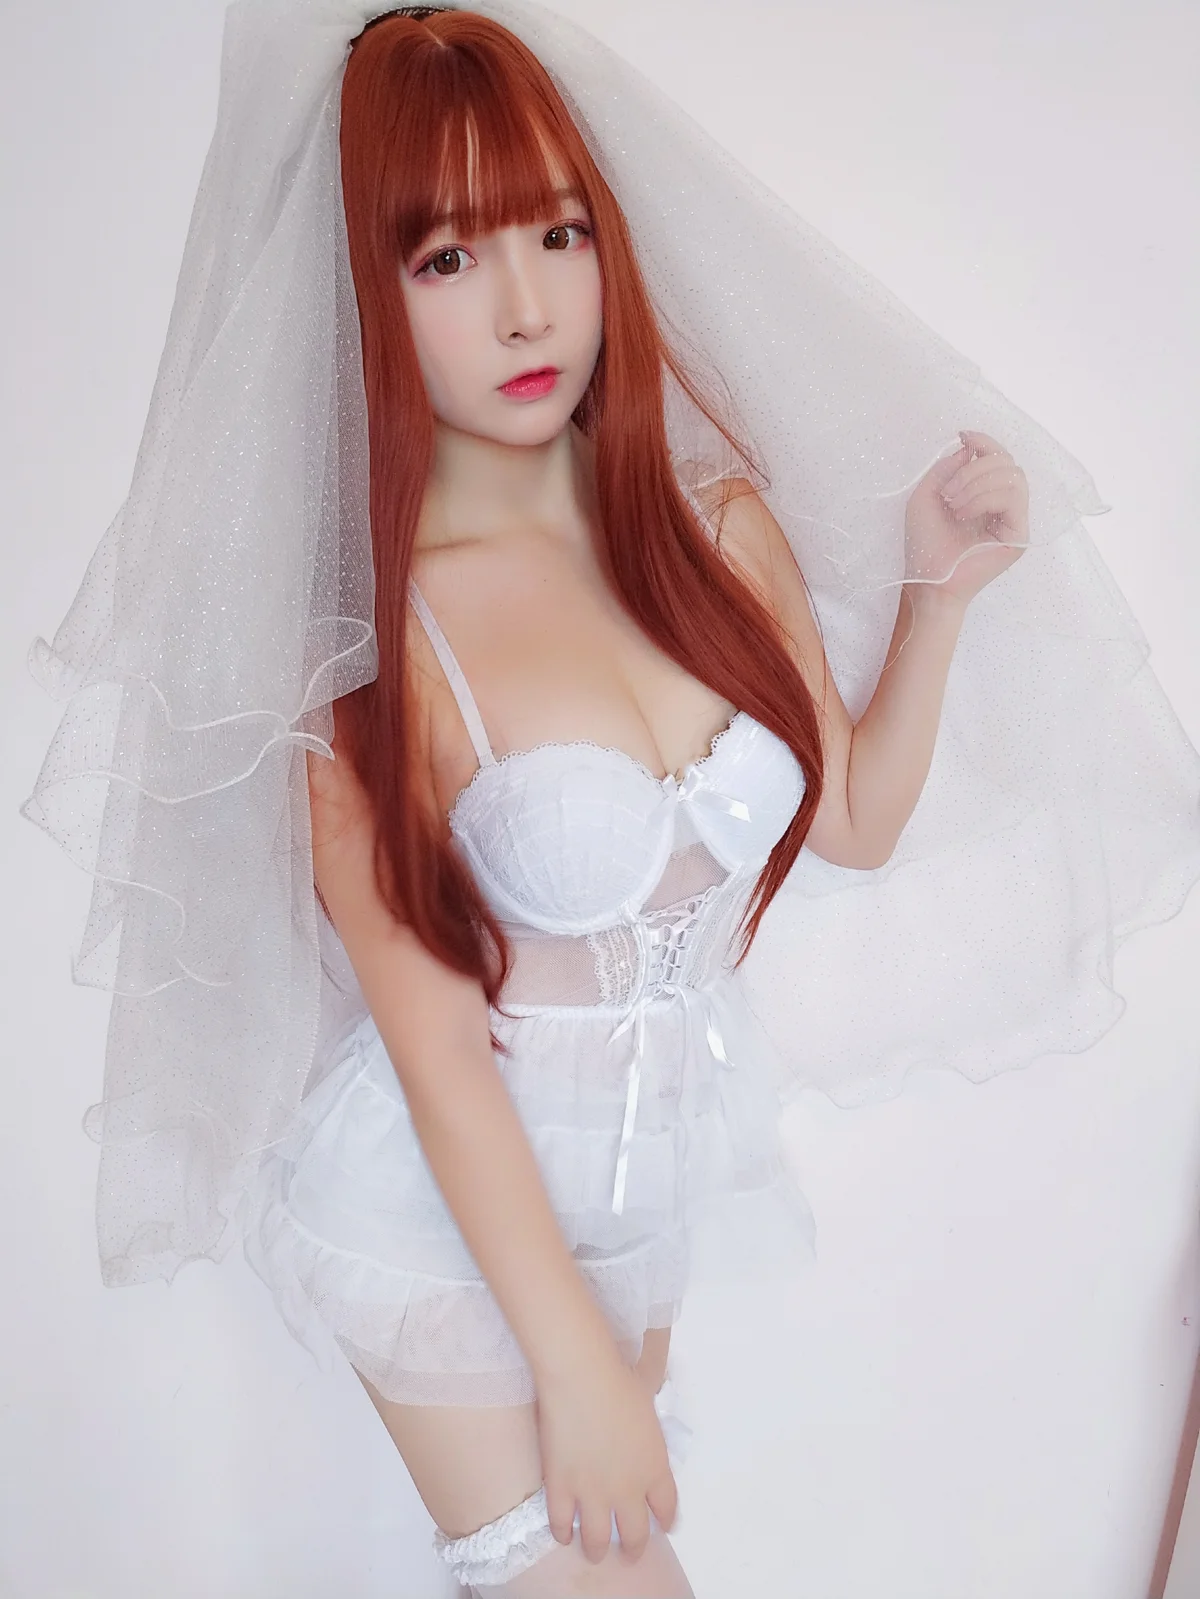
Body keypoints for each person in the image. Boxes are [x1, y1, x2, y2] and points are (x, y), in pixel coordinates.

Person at [22, 3, 1200, 1595]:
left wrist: (933, 602)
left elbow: (852, 821)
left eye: (557, 232)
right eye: (448, 256)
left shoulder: (713, 527)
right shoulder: (376, 646)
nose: (525, 306)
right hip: (437, 1212)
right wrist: (575, 1366)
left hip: (649, 1193)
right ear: (365, 289)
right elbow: (437, 1053)